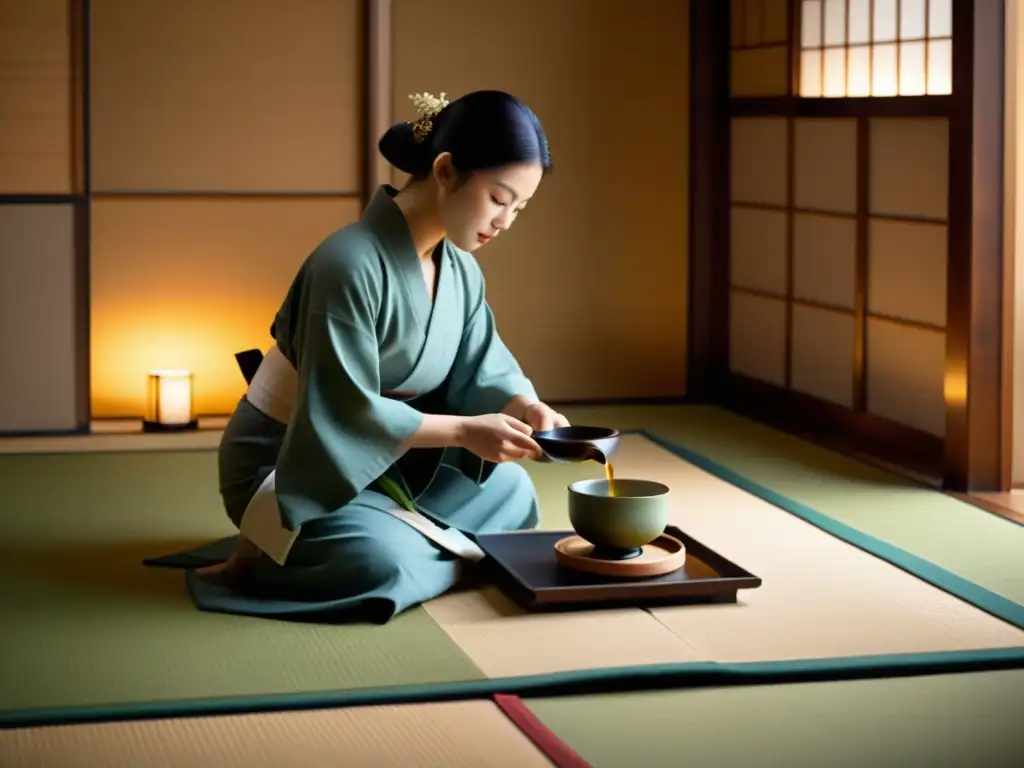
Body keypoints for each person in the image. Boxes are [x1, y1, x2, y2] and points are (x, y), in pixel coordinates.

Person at [188, 89, 569, 623]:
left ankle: (423, 548)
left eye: (520, 208)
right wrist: (462, 433)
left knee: (512, 495)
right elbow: (343, 410)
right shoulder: (346, 264)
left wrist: (526, 408)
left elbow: (483, 361)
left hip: (397, 454)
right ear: (445, 171)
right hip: (295, 459)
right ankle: (277, 552)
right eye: (499, 198)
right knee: (379, 564)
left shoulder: (459, 269)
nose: (505, 221)